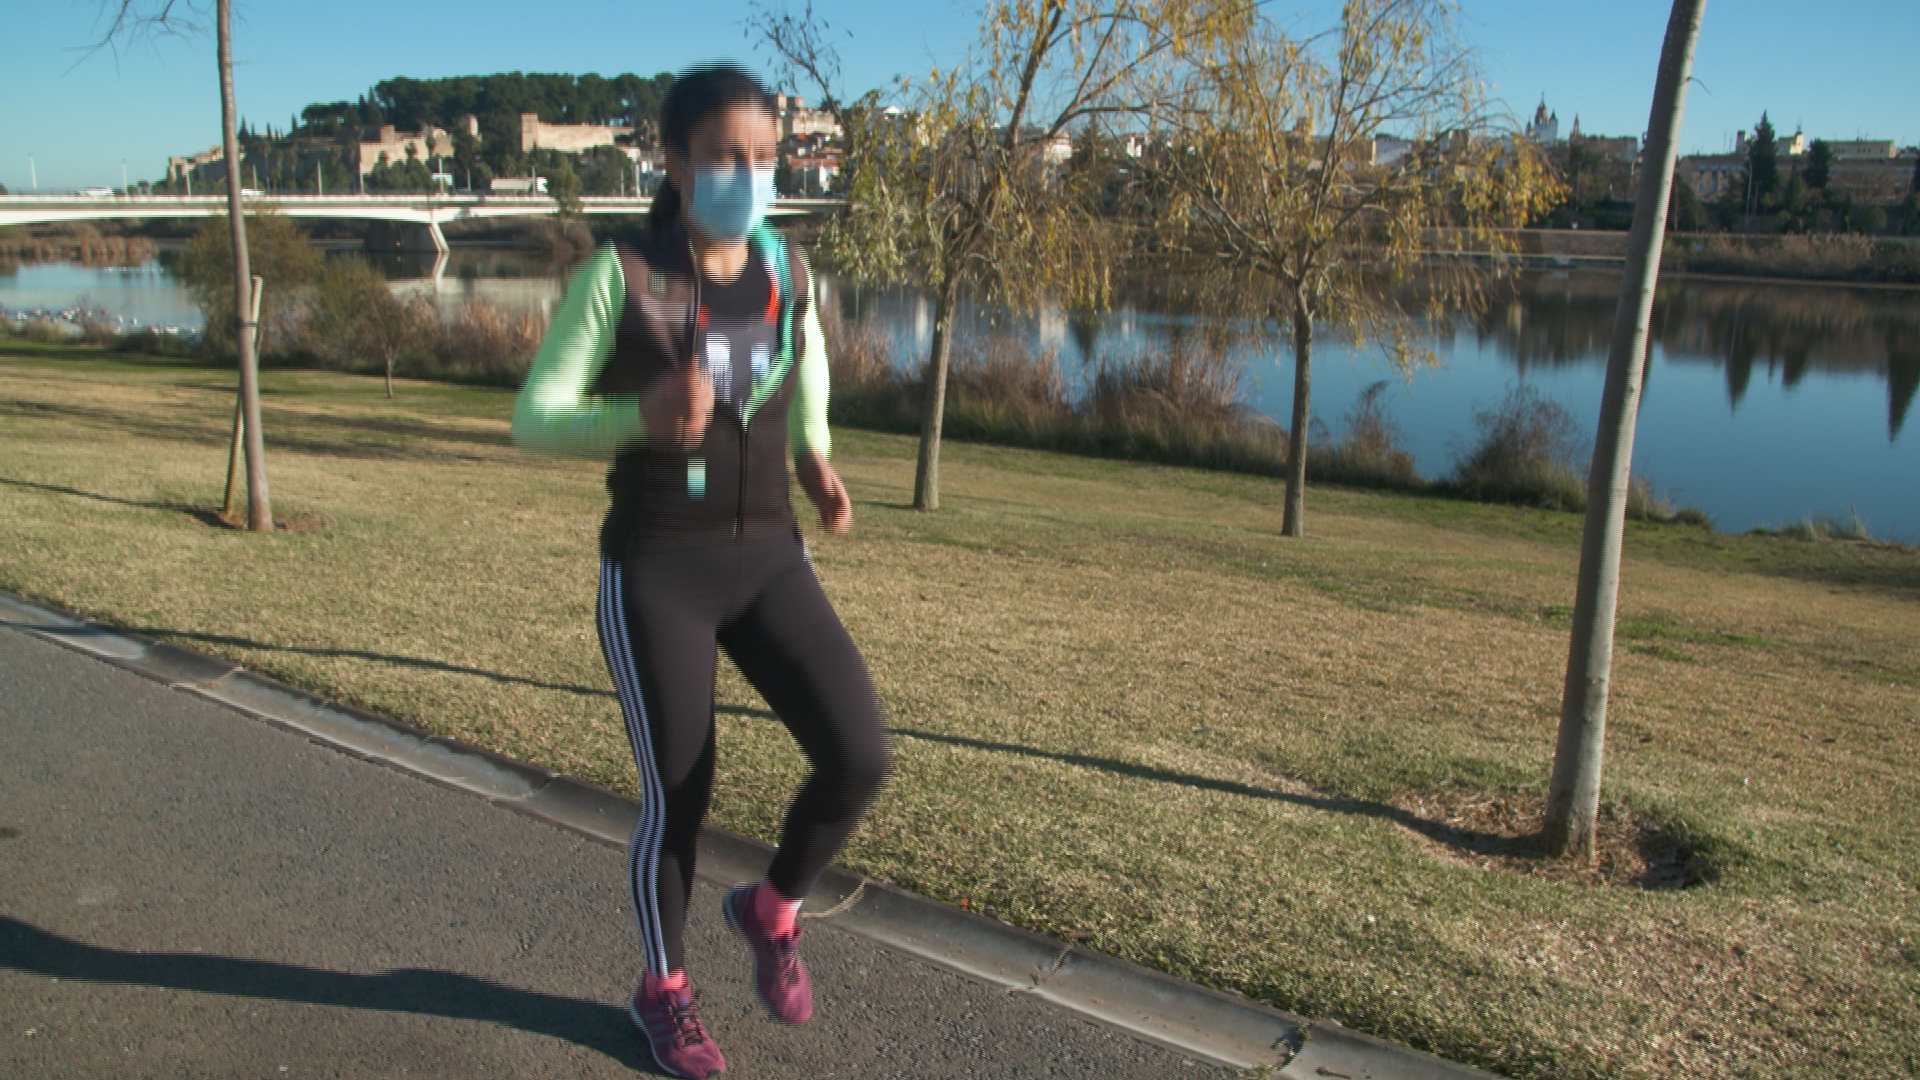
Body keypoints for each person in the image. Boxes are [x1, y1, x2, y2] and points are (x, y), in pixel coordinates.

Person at [510, 64, 891, 1079]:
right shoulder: (622, 274)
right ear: (674, 161)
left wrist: (814, 455)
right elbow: (531, 417)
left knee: (859, 752)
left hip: (769, 556)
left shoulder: (785, 268)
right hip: (658, 570)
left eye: (765, 157)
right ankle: (662, 992)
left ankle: (772, 908)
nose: (749, 175)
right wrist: (634, 417)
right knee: (680, 791)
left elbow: (804, 361)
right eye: (727, 156)